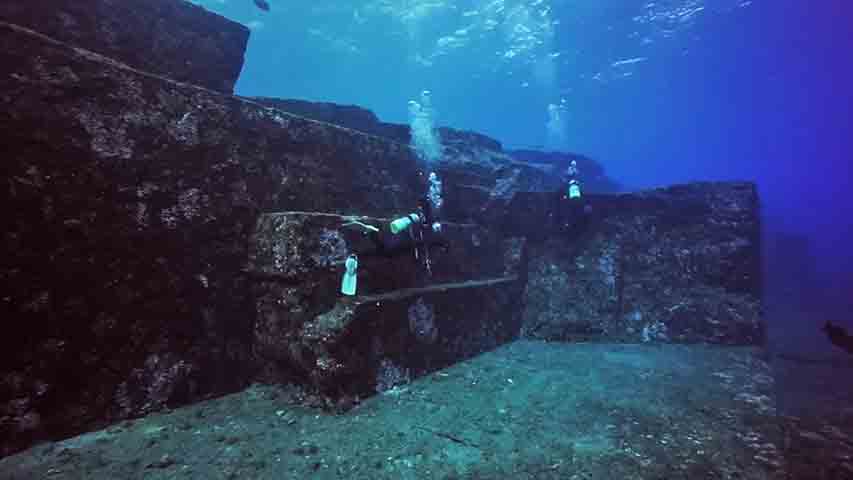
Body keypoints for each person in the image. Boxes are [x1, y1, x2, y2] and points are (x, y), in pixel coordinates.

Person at [341, 187, 449, 296]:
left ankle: (367, 241)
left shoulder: (425, 221)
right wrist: (443, 244)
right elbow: (433, 241)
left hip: (406, 239)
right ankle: (367, 243)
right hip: (410, 245)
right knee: (387, 254)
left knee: (385, 252)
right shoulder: (432, 226)